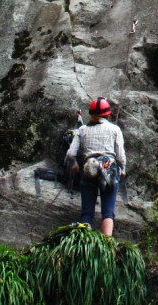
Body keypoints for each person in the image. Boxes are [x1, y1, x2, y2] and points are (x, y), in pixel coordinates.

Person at [66, 97, 126, 236]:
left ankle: (85, 241)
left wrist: (74, 165)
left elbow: (70, 153)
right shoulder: (114, 129)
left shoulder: (82, 130)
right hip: (108, 168)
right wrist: (122, 169)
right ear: (108, 114)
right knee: (108, 212)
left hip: (89, 168)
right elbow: (120, 155)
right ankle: (107, 244)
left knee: (87, 213)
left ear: (91, 114)